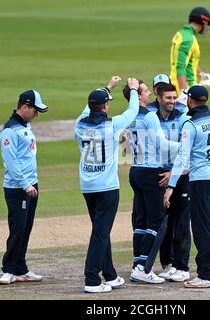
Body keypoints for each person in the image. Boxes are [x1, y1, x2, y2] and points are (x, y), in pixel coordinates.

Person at [74, 76, 140, 293]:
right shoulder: (112, 125)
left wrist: (108, 87)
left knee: (100, 231)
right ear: (105, 106)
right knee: (100, 233)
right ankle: (92, 279)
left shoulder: (79, 125)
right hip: (107, 188)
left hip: (87, 186)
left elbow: (87, 109)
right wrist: (132, 91)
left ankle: (109, 275)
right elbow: (132, 113)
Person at [164, 85, 210, 288]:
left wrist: (171, 186)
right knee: (209, 226)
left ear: (191, 101)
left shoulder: (190, 125)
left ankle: (206, 275)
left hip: (201, 179)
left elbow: (183, 158)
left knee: (202, 228)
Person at [123, 80, 179, 284]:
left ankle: (137, 263)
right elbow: (162, 145)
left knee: (141, 221)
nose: (149, 94)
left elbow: (126, 149)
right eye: (146, 91)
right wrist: (184, 146)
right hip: (150, 172)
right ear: (137, 97)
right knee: (156, 221)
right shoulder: (149, 116)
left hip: (135, 170)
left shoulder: (128, 117)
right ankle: (142, 268)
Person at [0, 89, 48, 285]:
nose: (36, 114)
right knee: (18, 228)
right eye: (35, 110)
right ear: (25, 107)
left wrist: (31, 183)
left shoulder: (25, 126)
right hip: (18, 188)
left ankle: (20, 269)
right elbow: (10, 161)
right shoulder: (10, 130)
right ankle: (9, 269)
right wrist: (25, 184)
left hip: (30, 185)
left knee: (26, 228)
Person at [153, 83, 192, 282]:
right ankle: (167, 264)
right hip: (159, 174)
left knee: (181, 222)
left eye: (174, 97)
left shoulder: (183, 117)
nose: (172, 101)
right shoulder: (152, 118)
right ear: (158, 98)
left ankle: (182, 265)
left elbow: (187, 150)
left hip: (181, 174)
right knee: (162, 222)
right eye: (168, 98)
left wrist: (173, 173)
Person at [170, 7, 210, 101]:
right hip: (184, 86)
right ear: (203, 22)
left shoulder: (182, 34)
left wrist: (201, 73)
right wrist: (184, 91)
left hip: (178, 83)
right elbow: (180, 66)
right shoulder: (188, 39)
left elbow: (190, 61)